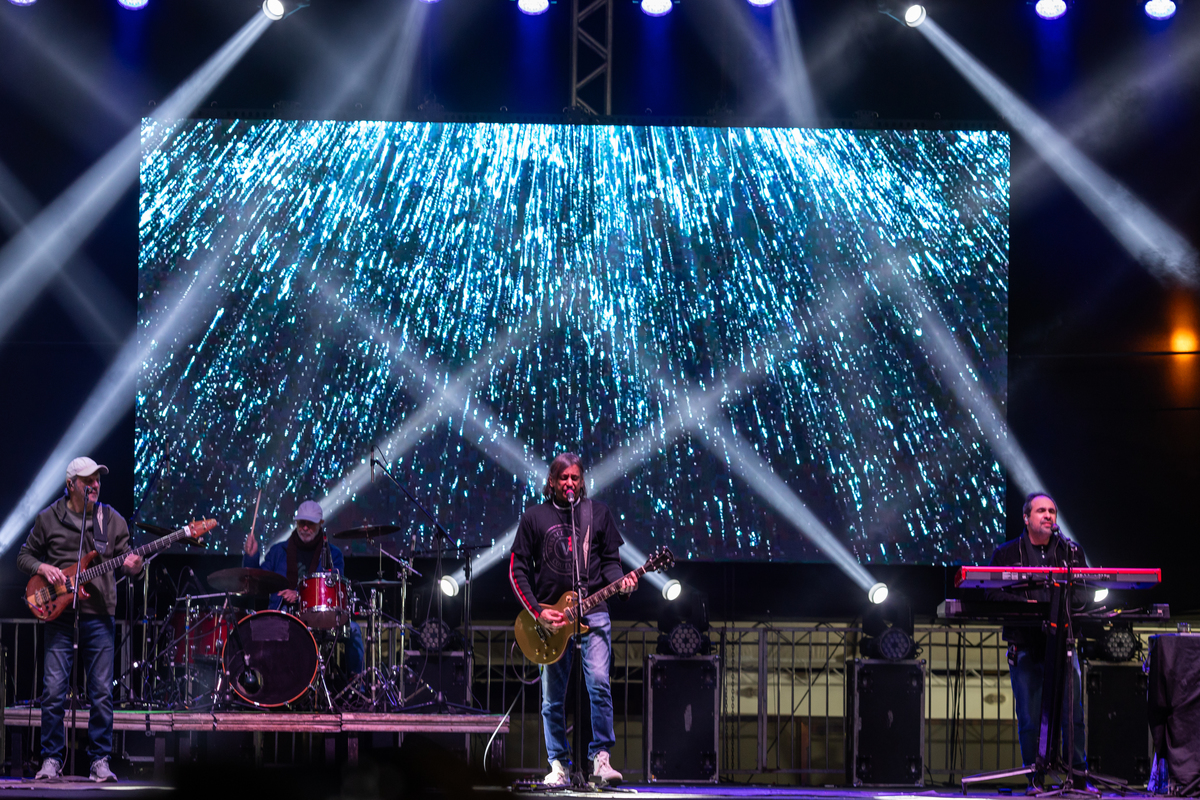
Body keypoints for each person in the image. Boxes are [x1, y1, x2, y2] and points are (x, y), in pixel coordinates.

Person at [508, 453, 638, 787]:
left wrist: (622, 584)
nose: (570, 483)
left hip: (593, 612)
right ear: (552, 482)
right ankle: (558, 765)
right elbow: (517, 569)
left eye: (575, 478)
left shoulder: (598, 513)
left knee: (599, 683)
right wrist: (537, 611)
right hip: (551, 620)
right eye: (563, 478)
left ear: (582, 482)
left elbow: (610, 563)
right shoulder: (534, 517)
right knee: (552, 698)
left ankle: (601, 759)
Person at [17, 457, 145, 782]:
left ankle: (100, 760)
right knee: (53, 691)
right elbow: (24, 556)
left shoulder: (111, 520)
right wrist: (42, 567)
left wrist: (134, 566)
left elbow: (129, 562)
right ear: (71, 484)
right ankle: (50, 759)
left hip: (99, 616)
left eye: (98, 479)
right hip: (60, 615)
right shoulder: (49, 518)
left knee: (101, 692)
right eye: (88, 480)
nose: (95, 485)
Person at [987, 492, 1088, 793]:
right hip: (1026, 646)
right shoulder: (1006, 553)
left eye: (1052, 511)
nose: (1048, 516)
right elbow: (991, 593)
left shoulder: (1071, 551)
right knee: (1030, 719)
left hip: (1064, 646)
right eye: (1041, 511)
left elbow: (1083, 593)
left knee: (1073, 716)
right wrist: (1029, 605)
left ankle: (1077, 776)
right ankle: (1036, 779)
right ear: (1026, 517)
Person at [243, 499, 364, 675]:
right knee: (252, 629)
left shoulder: (333, 554)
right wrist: (251, 556)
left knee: (354, 630)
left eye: (310, 524)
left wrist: (299, 594)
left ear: (321, 523)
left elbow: (334, 589)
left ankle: (355, 685)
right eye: (302, 523)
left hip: (320, 618)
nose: (305, 528)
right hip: (283, 614)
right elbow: (256, 582)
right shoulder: (278, 551)